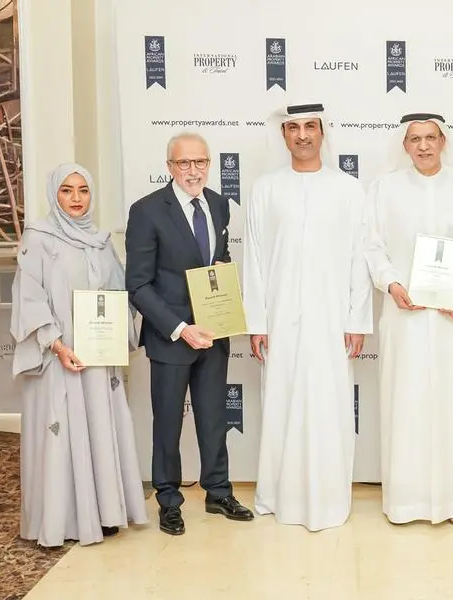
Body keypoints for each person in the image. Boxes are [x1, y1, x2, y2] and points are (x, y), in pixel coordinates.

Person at [364, 112, 453, 526]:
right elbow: (372, 247)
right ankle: (405, 503)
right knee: (405, 406)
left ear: (443, 141)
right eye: (415, 139)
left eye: (430, 137)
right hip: (404, 317)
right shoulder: (385, 189)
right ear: (404, 145)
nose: (423, 146)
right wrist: (391, 284)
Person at [242, 102, 373, 531]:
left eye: (310, 127)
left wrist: (357, 320)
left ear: (322, 132)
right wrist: (258, 322)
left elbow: (359, 259)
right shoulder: (265, 189)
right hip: (279, 320)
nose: (302, 135)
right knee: (281, 403)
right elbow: (254, 260)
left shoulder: (348, 189)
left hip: (332, 321)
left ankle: (329, 500)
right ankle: (280, 496)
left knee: (328, 406)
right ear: (283, 135)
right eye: (294, 128)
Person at [11, 163, 148, 547]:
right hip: (59, 357)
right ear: (54, 194)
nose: (76, 198)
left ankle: (104, 514)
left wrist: (116, 331)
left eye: (83, 190)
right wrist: (57, 344)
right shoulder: (39, 238)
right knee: (62, 432)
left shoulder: (101, 242)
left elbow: (119, 294)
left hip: (97, 358)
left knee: (100, 428)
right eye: (67, 190)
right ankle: (62, 521)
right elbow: (30, 297)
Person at [126, 132, 253, 536]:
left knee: (214, 418)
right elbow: (138, 285)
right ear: (170, 167)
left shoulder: (218, 204)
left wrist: (224, 295)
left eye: (200, 162)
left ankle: (218, 492)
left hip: (214, 334)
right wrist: (181, 329)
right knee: (168, 423)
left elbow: (218, 260)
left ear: (209, 164)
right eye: (184, 163)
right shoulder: (146, 211)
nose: (193, 170)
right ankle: (168, 501)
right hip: (171, 338)